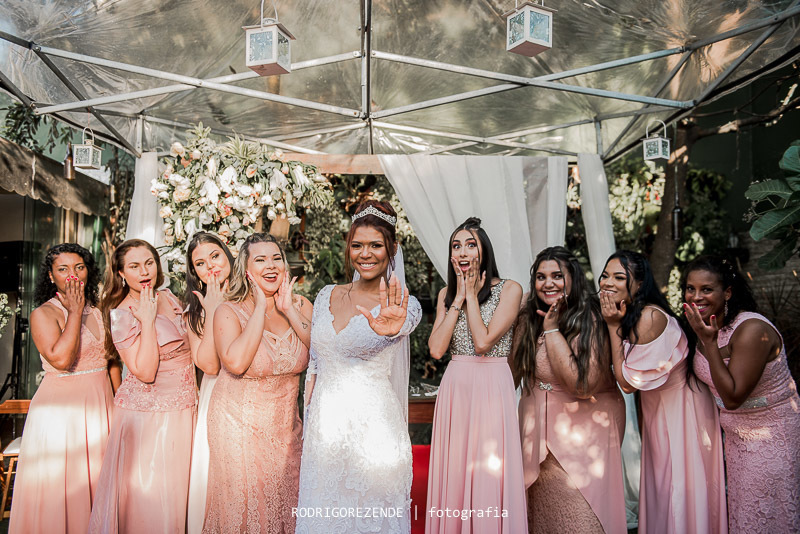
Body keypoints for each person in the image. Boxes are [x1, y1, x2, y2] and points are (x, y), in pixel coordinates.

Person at [296, 200, 421, 534]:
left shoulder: (402, 304)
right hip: (324, 433)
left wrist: (391, 328)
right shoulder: (326, 295)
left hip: (373, 435)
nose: (366, 253)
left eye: (376, 245)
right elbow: (316, 364)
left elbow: (400, 326)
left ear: (392, 249)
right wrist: (309, 426)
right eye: (358, 245)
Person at [599, 250, 726, 534]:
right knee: (663, 489)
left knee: (678, 491)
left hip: (681, 413)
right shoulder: (630, 313)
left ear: (640, 283)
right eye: (605, 275)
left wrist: (611, 326)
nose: (608, 282)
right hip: (660, 412)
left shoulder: (649, 317)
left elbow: (628, 383)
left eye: (619, 277)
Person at [682, 255, 800, 533]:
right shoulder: (700, 323)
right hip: (735, 439)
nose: (696, 296)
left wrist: (709, 343)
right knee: (744, 512)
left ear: (728, 293)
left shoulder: (751, 330)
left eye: (706, 289)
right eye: (690, 288)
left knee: (767, 515)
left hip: (770, 434)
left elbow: (733, 398)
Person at [513, 246, 626, 534]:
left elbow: (582, 384)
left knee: (580, 516)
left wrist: (552, 330)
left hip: (584, 431)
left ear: (573, 278)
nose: (548, 283)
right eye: (540, 276)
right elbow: (512, 371)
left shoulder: (591, 316)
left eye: (556, 276)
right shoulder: (529, 315)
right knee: (544, 517)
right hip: (536, 430)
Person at [202, 233, 310, 532]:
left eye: (276, 258)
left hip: (287, 429)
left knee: (289, 505)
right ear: (245, 269)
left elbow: (322, 354)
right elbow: (235, 363)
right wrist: (261, 308)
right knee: (251, 513)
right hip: (237, 427)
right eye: (260, 260)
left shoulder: (300, 305)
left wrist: (288, 309)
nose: (271, 265)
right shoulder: (229, 310)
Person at [426, 217, 527, 534]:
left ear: (484, 249)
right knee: (455, 470)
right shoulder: (446, 293)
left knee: (489, 469)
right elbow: (437, 349)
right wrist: (457, 297)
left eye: (470, 243)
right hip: (457, 386)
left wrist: (471, 294)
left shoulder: (510, 289)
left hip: (491, 385)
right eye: (456, 245)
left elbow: (484, 343)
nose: (462, 250)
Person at [89, 239, 197, 533]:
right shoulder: (122, 314)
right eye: (134, 266)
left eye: (149, 262)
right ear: (121, 273)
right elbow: (146, 372)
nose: (144, 271)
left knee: (182, 493)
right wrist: (148, 322)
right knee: (154, 499)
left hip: (186, 407)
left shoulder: (169, 296)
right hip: (152, 418)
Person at [9, 244, 114, 534]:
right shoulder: (43, 314)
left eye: (79, 267)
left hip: (101, 404)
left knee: (98, 483)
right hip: (60, 413)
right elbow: (62, 359)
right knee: (65, 485)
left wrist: (119, 405)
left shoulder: (101, 309)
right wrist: (75, 313)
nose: (72, 276)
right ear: (51, 276)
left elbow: (113, 360)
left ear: (88, 271)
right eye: (63, 269)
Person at [184, 232, 234, 534]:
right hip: (217, 393)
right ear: (195, 273)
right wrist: (213, 308)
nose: (210, 267)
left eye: (215, 256)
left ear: (228, 254)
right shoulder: (195, 309)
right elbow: (210, 365)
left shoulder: (254, 295)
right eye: (200, 263)